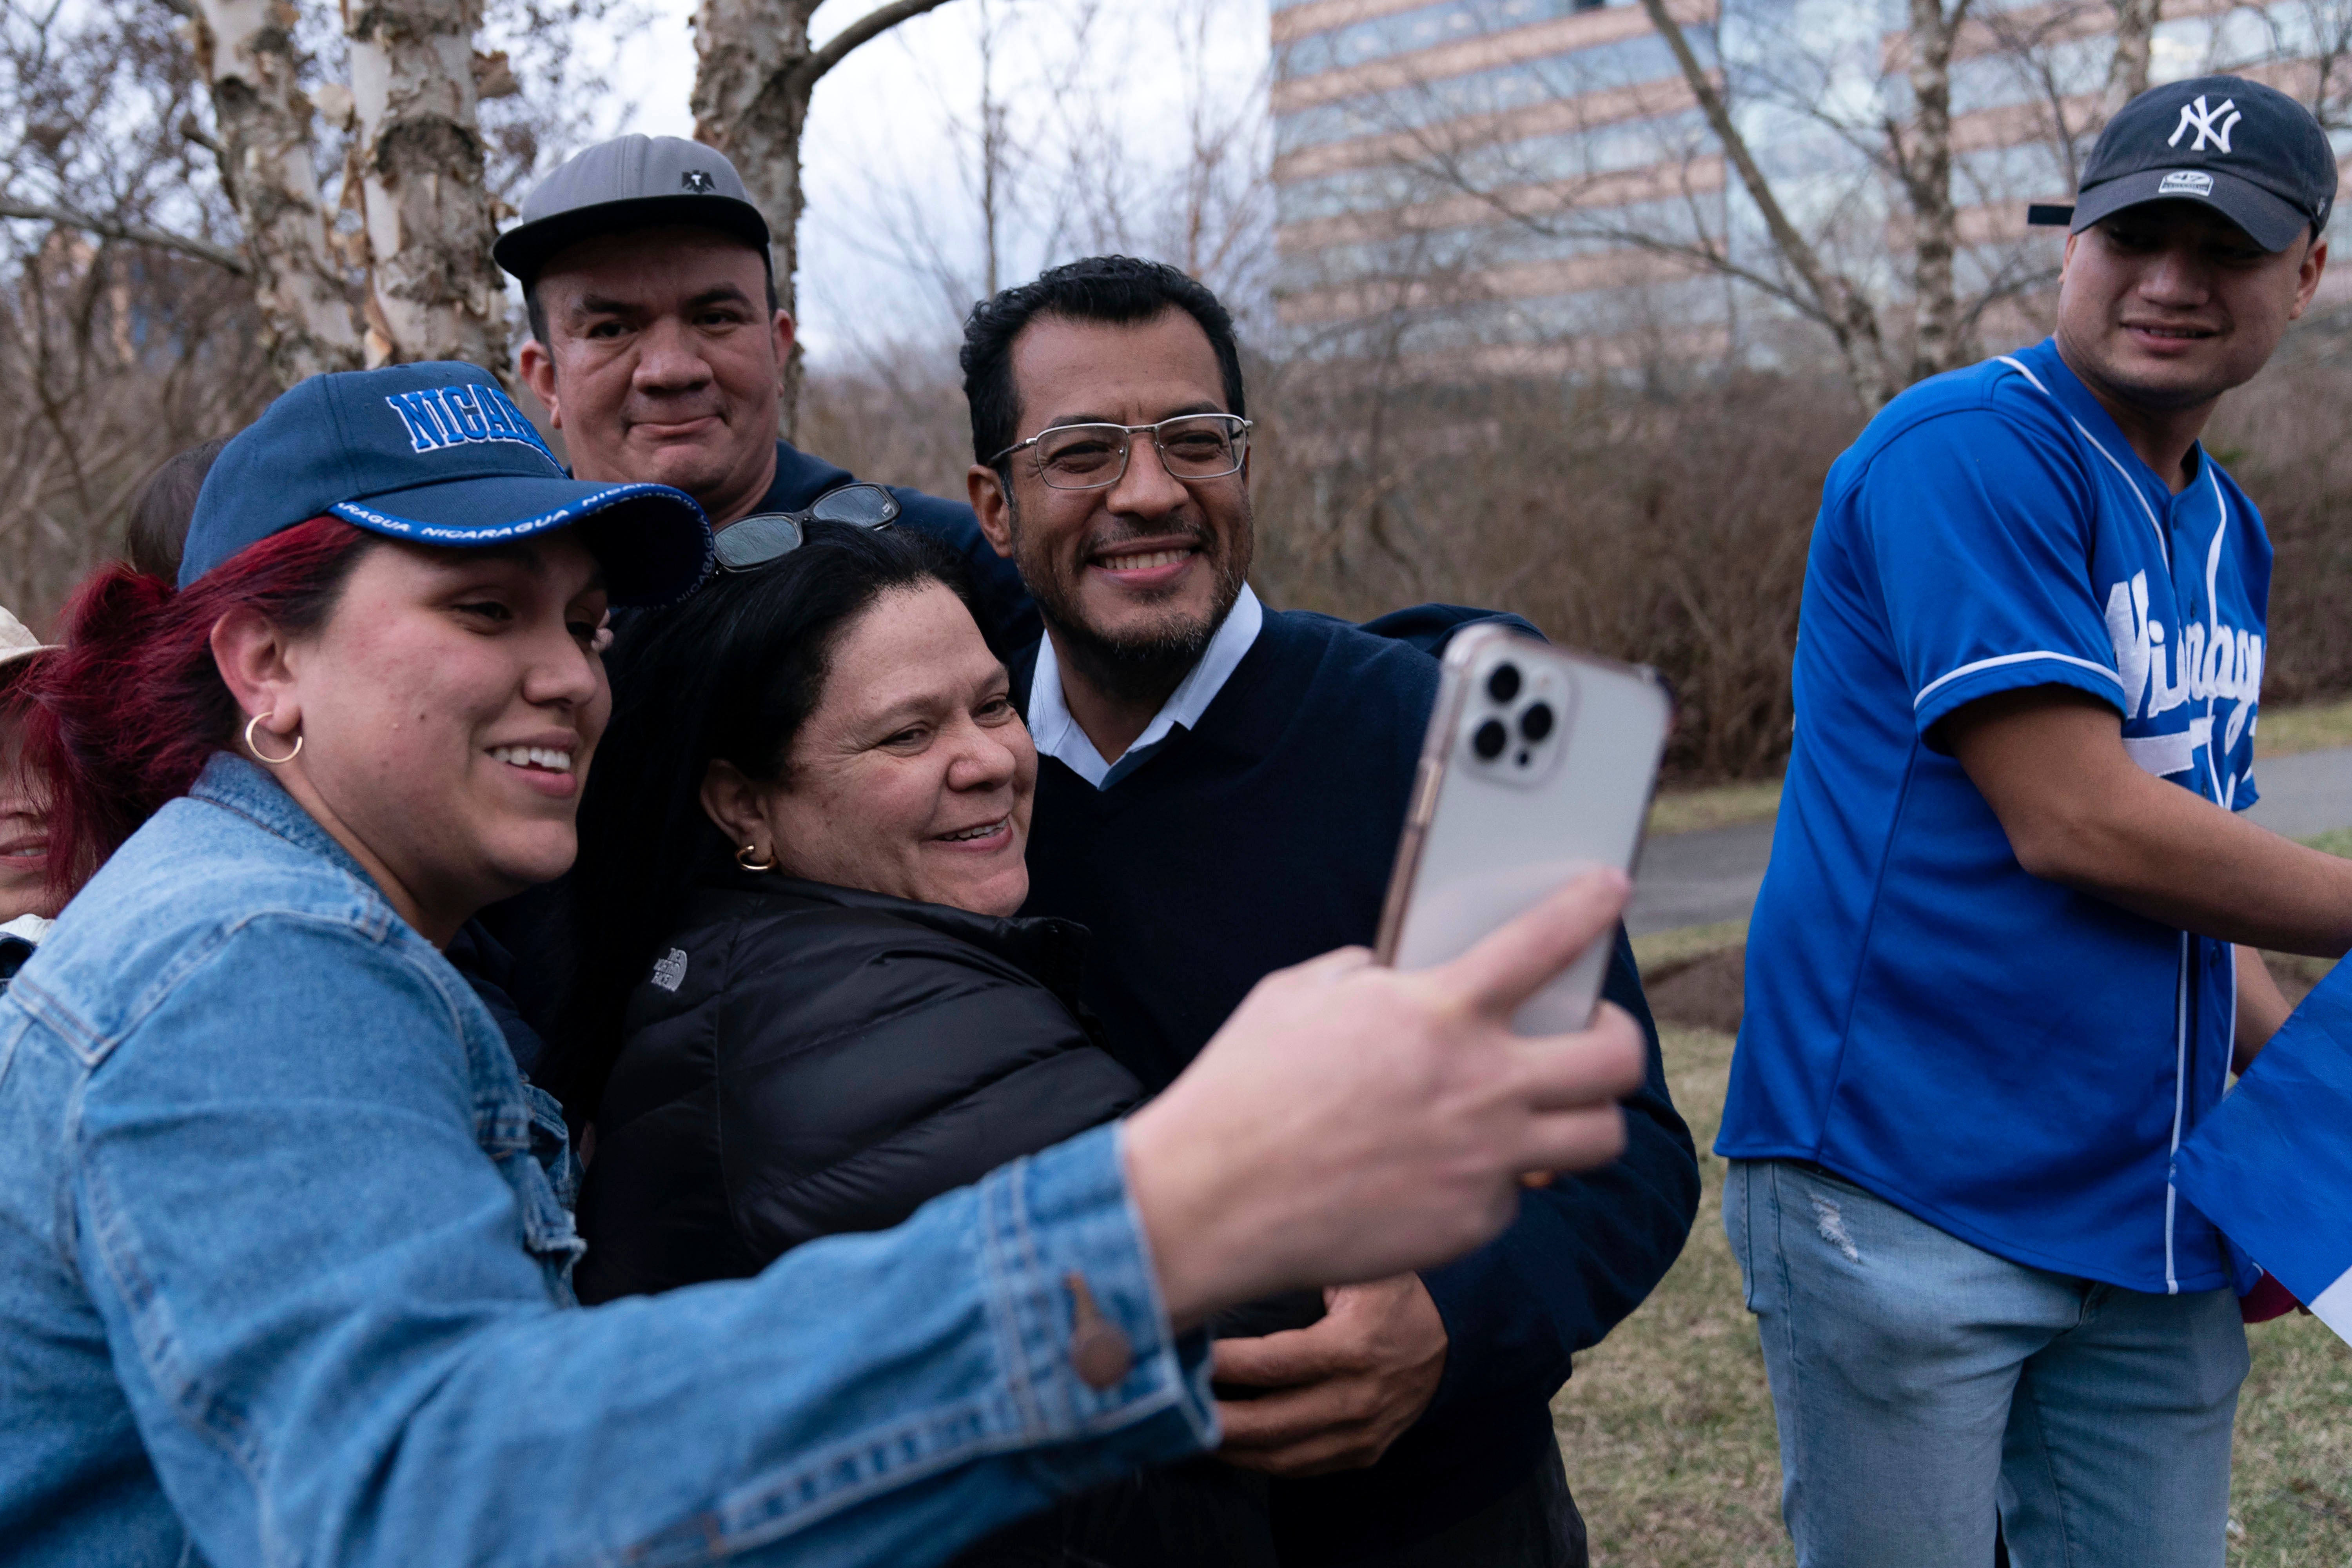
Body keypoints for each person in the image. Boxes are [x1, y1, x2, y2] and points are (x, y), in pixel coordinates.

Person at [0, 358, 1651, 1568]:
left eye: (582, 623)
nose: (570, 677)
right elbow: (421, 1506)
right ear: (264, 664)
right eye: (483, 608)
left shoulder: (327, 932)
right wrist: (1162, 1214)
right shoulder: (251, 963)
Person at [960, 255, 1700, 1568]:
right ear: (995, 505)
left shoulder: (1430, 737)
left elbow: (1624, 1153)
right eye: (1081, 451)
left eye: (1196, 440)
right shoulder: (946, 770)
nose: (1150, 491)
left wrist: (1448, 1323)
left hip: (1430, 1522)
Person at [1717, 74, 2345, 1568]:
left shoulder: (2225, 525)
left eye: (2230, 250)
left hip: (2147, 1214)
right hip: (1909, 1181)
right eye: (2135, 234)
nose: (2172, 283)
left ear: (2309, 273)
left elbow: (2192, 869)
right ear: (2070, 238)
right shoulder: (1967, 450)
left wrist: (2306, 1092)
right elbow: (2080, 821)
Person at [558, 520, 1281, 1565]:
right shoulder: (862, 1033)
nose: (988, 761)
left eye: (994, 706)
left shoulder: (733, 962)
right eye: (907, 735)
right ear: (744, 806)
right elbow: (1284, 1303)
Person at [497, 134, 1035, 652]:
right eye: (611, 329)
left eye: (715, 318)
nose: (670, 370)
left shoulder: (961, 559)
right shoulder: (486, 594)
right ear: (546, 379)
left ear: (778, 350)